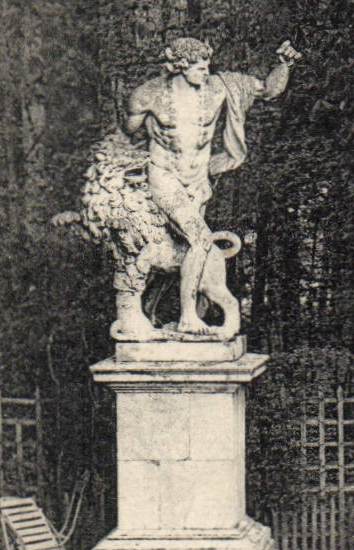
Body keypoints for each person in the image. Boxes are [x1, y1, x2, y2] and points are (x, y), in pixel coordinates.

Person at [124, 37, 300, 334]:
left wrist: (284, 64)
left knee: (179, 249)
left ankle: (149, 313)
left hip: (198, 183)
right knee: (201, 239)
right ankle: (187, 316)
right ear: (179, 67)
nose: (205, 73)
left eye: (207, 67)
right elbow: (126, 135)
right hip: (164, 177)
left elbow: (268, 89)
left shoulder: (220, 88)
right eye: (199, 68)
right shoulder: (148, 95)